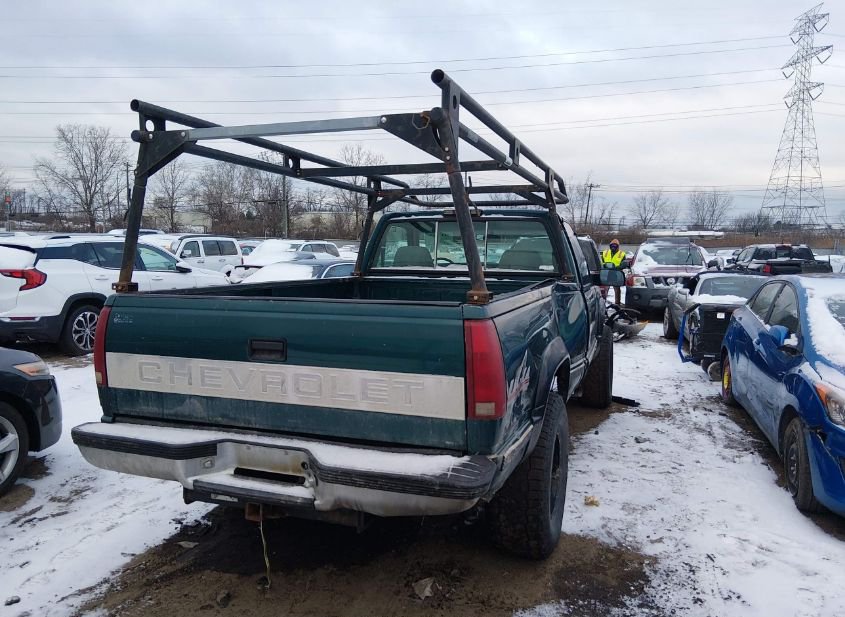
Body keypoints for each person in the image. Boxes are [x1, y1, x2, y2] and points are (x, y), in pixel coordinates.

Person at [601, 239, 626, 304]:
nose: (613, 247)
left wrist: (618, 267)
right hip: (606, 273)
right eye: (612, 246)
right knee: (604, 289)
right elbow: (600, 261)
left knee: (617, 290)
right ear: (610, 246)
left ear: (618, 246)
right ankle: (602, 303)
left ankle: (617, 304)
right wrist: (604, 266)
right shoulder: (605, 252)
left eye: (615, 246)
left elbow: (624, 264)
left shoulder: (622, 254)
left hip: (616, 273)